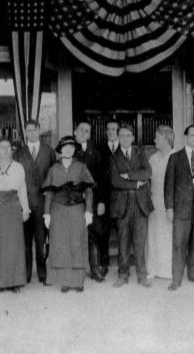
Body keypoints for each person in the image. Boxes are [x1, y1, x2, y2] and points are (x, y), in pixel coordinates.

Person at [42, 136, 96, 293]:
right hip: (58, 210)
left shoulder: (81, 167)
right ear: (60, 149)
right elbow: (50, 192)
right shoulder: (54, 168)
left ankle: (78, 281)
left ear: (75, 149)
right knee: (61, 245)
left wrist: (88, 211)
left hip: (77, 209)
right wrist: (47, 213)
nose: (68, 149)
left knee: (77, 244)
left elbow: (89, 191)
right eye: (65, 146)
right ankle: (65, 280)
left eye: (71, 147)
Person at [0, 138, 30, 295]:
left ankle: (14, 282)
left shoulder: (18, 167)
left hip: (13, 206)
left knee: (13, 245)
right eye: (2, 147)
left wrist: (25, 209)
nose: (6, 150)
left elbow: (22, 189)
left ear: (12, 150)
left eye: (8, 147)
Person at [164, 124, 194, 291]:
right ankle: (176, 278)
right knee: (179, 243)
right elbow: (168, 185)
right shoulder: (175, 158)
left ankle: (193, 274)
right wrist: (169, 208)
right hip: (181, 207)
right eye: (192, 135)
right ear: (185, 137)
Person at [109, 124, 154, 288]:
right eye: (122, 136)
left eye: (128, 136)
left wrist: (128, 175)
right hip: (122, 204)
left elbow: (148, 172)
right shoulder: (113, 157)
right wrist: (136, 184)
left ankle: (142, 276)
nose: (125, 139)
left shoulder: (140, 153)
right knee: (123, 241)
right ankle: (123, 275)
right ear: (117, 137)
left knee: (140, 242)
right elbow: (115, 181)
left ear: (133, 138)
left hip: (140, 204)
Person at [13, 119, 56, 285]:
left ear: (39, 130)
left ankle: (43, 273)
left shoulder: (49, 151)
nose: (31, 133)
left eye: (33, 130)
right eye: (28, 130)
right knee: (25, 240)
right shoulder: (19, 153)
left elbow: (53, 177)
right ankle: (26, 274)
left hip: (43, 203)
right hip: (24, 204)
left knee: (41, 240)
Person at [74, 119, 108, 282]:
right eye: (81, 130)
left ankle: (95, 270)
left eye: (87, 131)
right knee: (75, 236)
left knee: (93, 235)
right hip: (73, 201)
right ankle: (75, 272)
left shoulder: (96, 154)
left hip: (92, 200)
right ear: (75, 132)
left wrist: (101, 201)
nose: (84, 133)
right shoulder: (69, 151)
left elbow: (101, 180)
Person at [146, 125, 175, 280]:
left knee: (168, 236)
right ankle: (153, 269)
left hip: (170, 204)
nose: (155, 140)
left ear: (166, 139)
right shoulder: (153, 158)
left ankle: (168, 270)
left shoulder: (176, 156)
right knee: (153, 235)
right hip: (154, 202)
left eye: (157, 137)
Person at [94, 119, 120, 279]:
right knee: (102, 233)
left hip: (120, 199)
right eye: (108, 129)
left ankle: (123, 267)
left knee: (121, 231)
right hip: (104, 198)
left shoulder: (125, 149)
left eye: (114, 129)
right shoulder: (99, 150)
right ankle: (104, 264)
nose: (111, 131)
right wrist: (101, 200)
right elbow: (98, 176)